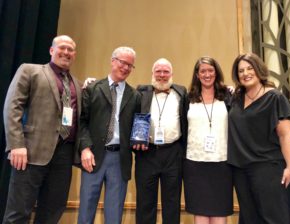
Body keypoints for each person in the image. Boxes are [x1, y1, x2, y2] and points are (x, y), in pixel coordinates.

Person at [2, 35, 81, 223]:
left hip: (64, 155)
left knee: (52, 212)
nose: (66, 52)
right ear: (51, 50)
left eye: (70, 50)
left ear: (74, 55)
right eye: (62, 47)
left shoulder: (76, 83)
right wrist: (16, 145)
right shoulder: (30, 70)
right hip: (30, 152)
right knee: (18, 212)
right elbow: (12, 107)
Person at [228, 53, 290, 224]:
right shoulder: (236, 98)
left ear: (259, 69)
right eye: (241, 71)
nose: (245, 73)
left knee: (273, 217)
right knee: (249, 218)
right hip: (240, 168)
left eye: (250, 68)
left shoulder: (275, 97)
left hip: (267, 167)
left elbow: (284, 135)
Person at [77, 46, 141, 224]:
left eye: (130, 65)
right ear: (113, 61)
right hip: (93, 156)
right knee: (86, 211)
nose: (126, 68)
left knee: (114, 215)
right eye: (123, 62)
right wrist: (85, 148)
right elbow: (82, 121)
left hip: (119, 159)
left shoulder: (135, 95)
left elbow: (138, 126)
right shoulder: (93, 88)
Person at [133, 58, 188, 224]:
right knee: (144, 203)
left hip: (173, 153)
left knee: (172, 203)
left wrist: (227, 89)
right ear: (152, 74)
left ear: (172, 74)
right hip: (146, 153)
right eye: (158, 71)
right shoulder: (141, 92)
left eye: (166, 72)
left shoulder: (181, 92)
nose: (162, 75)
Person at [183, 56, 233, 224]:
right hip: (195, 163)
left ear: (216, 73)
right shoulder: (188, 98)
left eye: (210, 70)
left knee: (220, 210)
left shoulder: (228, 96)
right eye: (202, 71)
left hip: (222, 162)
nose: (207, 74)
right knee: (200, 211)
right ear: (197, 75)